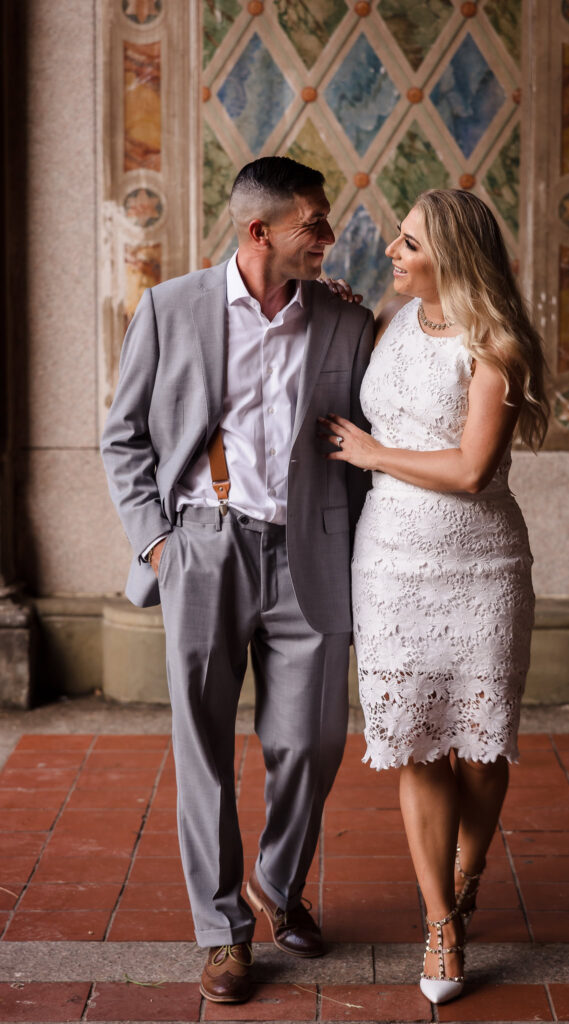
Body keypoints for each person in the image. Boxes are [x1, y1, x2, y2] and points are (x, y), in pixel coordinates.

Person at [102, 156, 373, 1004]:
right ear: (260, 232)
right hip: (205, 551)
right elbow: (123, 438)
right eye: (313, 227)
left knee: (312, 742)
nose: (328, 239)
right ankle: (223, 933)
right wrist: (157, 544)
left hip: (311, 557)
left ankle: (276, 885)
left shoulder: (342, 317)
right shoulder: (170, 308)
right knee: (204, 752)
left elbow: (365, 437)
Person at [318, 188, 549, 1005]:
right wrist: (335, 304)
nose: (390, 250)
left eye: (406, 241)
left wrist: (376, 454)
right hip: (388, 564)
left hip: (480, 564)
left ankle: (467, 866)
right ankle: (440, 923)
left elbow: (469, 470)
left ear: (448, 253)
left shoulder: (496, 344)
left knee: (482, 750)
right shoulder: (386, 321)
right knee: (414, 743)